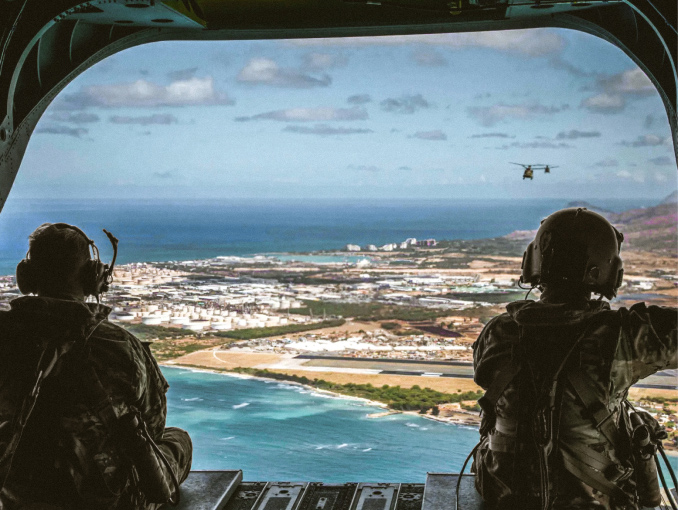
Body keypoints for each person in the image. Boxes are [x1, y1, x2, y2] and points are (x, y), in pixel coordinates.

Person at [471, 208, 677, 510]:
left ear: (534, 263)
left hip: (504, 497)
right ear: (609, 271)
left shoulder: (498, 334)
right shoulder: (622, 337)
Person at [0, 223, 192, 509]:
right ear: (94, 278)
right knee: (179, 439)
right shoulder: (119, 344)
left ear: (25, 276)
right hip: (109, 500)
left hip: (18, 497)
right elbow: (153, 429)